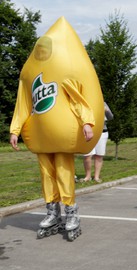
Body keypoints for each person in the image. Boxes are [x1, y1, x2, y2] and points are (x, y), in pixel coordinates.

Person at [9, 17, 104, 242]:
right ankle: (52, 212)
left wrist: (87, 122)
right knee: (46, 174)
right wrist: (15, 129)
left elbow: (78, 99)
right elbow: (23, 103)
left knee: (63, 171)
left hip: (62, 134)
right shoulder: (31, 73)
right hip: (42, 134)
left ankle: (70, 211)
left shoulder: (64, 69)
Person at [81, 102, 113, 183]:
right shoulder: (84, 102)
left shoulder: (103, 103)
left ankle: (96, 177)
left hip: (102, 132)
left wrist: (106, 111)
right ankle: (87, 176)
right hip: (89, 132)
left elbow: (111, 117)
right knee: (87, 155)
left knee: (99, 155)